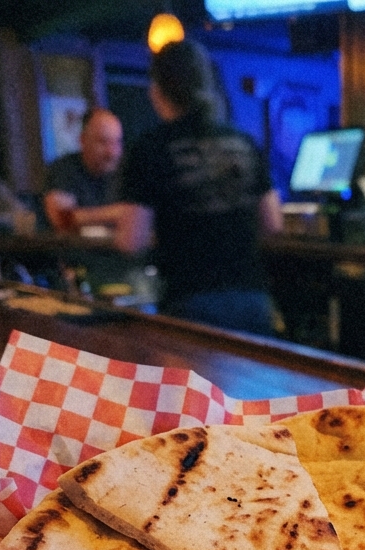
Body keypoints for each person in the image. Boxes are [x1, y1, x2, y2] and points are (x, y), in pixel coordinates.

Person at [114, 39, 283, 336]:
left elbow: (131, 240)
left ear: (157, 91)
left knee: (198, 385)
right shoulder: (243, 141)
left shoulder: (150, 148)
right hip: (254, 300)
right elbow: (273, 223)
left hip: (190, 302)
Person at [42, 107, 124, 234]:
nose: (112, 152)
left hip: (120, 251)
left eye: (117, 142)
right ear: (82, 140)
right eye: (103, 142)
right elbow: (61, 219)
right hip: (77, 251)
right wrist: (118, 213)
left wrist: (82, 216)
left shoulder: (127, 171)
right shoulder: (64, 169)